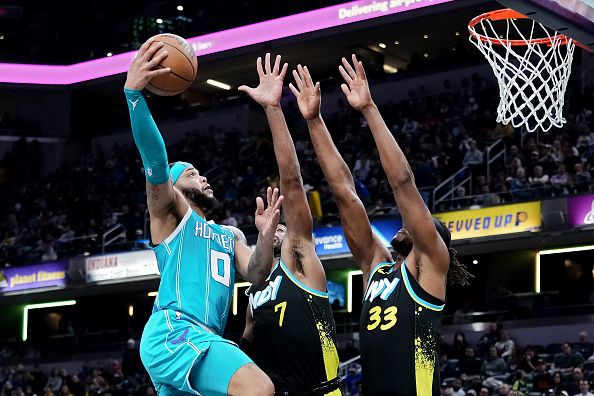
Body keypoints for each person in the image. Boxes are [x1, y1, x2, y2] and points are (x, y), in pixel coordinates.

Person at [293, 55, 471, 395]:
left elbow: (403, 183)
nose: (410, 224)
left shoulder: (431, 265)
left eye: (423, 225)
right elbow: (345, 193)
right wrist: (314, 121)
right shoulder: (377, 267)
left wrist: (369, 108)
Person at [125, 39, 284, 396]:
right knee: (259, 389)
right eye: (192, 173)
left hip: (205, 340)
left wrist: (265, 236)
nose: (204, 177)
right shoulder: (172, 216)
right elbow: (154, 157)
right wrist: (134, 96)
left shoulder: (230, 235)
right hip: (176, 330)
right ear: (175, 187)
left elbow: (257, 275)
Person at [238, 53, 341, 395]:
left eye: (282, 226)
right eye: (272, 228)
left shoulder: (299, 264)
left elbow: (292, 184)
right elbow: (245, 352)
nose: (279, 227)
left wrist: (273, 109)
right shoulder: (254, 294)